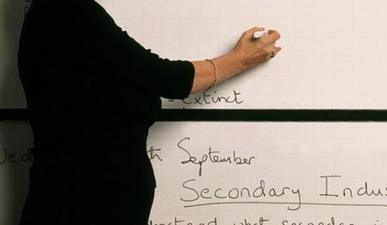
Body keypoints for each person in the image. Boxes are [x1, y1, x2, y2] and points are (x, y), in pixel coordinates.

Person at [17, 0, 281, 224]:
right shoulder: (66, 9)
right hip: (83, 200)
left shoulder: (54, 13)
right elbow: (164, 78)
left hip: (85, 196)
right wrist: (239, 59)